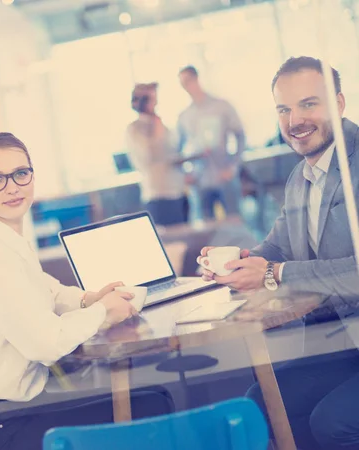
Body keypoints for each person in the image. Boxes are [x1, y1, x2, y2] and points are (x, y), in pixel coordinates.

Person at [0, 132, 174, 450]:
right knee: (152, 406)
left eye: (20, 173)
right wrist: (103, 313)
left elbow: (48, 290)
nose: (12, 186)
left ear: (31, 175)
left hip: (14, 411)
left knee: (151, 398)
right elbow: (45, 343)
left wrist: (89, 298)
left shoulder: (3, 237)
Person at [197, 56, 359, 449]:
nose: (294, 121)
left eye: (308, 104)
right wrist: (240, 260)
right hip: (346, 342)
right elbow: (277, 247)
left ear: (337, 104)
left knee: (331, 422)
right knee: (264, 403)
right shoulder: (301, 176)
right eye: (284, 109)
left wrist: (273, 273)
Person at [177, 66, 246, 220]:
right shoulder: (184, 116)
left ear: (196, 78)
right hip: (200, 180)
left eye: (188, 81)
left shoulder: (222, 106)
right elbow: (178, 150)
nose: (186, 86)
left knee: (235, 223)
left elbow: (240, 137)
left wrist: (233, 167)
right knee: (206, 229)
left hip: (224, 175)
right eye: (183, 84)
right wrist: (186, 174)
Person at [126, 82, 193, 226]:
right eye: (151, 99)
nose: (155, 103)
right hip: (159, 195)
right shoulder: (134, 129)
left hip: (178, 191)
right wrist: (156, 129)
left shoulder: (161, 125)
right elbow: (148, 156)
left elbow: (170, 154)